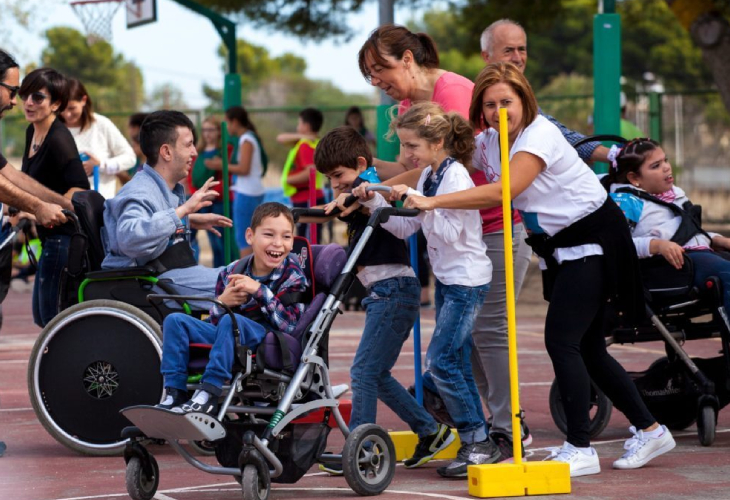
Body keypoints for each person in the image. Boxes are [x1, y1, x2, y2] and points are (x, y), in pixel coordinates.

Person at [404, 62, 676, 477]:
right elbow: (428, 163)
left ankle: (580, 446)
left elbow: (505, 191)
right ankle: (651, 429)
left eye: (507, 102)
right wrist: (375, 182)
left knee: (561, 342)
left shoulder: (539, 135)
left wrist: (431, 202)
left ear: (524, 101)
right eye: (490, 103)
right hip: (563, 249)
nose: (499, 110)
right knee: (587, 347)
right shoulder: (490, 141)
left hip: (596, 241)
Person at [353, 102, 501, 478]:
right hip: (449, 280)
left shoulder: (455, 179)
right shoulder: (429, 178)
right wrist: (375, 199)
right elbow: (406, 229)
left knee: (443, 359)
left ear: (437, 143)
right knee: (456, 358)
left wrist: (426, 204)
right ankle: (477, 436)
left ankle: (477, 440)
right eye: (403, 146)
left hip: (467, 280)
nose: (406, 156)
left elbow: (454, 232)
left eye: (412, 146)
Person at [314, 126, 454, 474]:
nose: (336, 184)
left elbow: (406, 228)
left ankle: (360, 448)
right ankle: (430, 431)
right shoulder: (354, 195)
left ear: (360, 164)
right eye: (330, 178)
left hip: (395, 290)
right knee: (374, 373)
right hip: (382, 293)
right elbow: (340, 206)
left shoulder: (379, 191)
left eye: (339, 176)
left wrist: (369, 198)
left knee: (363, 371)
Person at [157, 202, 307, 414]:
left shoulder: (292, 276)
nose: (278, 244)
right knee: (175, 320)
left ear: (292, 243)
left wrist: (260, 291)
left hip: (268, 338)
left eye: (286, 237)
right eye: (269, 235)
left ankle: (209, 391)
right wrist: (222, 303)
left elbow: (291, 326)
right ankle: (174, 391)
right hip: (231, 334)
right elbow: (215, 323)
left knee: (231, 321)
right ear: (250, 236)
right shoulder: (232, 271)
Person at [101, 110, 232, 303]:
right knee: (242, 284)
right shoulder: (139, 191)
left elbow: (151, 220)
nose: (194, 152)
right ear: (166, 152)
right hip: (153, 283)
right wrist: (184, 210)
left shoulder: (160, 188)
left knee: (248, 272)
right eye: (188, 145)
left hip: (173, 275)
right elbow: (129, 237)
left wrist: (189, 220)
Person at [606, 138, 730, 312]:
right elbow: (619, 245)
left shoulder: (674, 195)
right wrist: (657, 245)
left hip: (696, 258)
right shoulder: (627, 201)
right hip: (666, 268)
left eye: (665, 160)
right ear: (634, 178)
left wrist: (718, 239)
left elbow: (688, 233)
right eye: (655, 166)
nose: (666, 167)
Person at [20, 68, 90, 327]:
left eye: (38, 97)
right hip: (48, 237)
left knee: (53, 320)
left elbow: (78, 192)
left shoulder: (59, 139)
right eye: (25, 94)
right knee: (44, 317)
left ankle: (66, 366)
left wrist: (39, 208)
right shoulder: (32, 131)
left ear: (56, 104)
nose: (28, 102)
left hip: (64, 240)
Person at [0, 52, 70, 226]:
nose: (16, 101)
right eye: (13, 91)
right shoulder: (32, 133)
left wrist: (66, 205)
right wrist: (38, 207)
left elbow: (13, 176)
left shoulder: (58, 136)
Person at [60, 78, 136, 199]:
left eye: (72, 108)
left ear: (84, 100)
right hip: (64, 205)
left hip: (99, 207)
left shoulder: (101, 124)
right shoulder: (55, 129)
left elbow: (130, 158)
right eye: (62, 108)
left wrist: (101, 164)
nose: (66, 114)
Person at [217, 106, 267, 258]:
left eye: (227, 122)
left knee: (244, 237)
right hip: (251, 192)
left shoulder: (246, 139)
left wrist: (221, 165)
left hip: (247, 193)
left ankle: (245, 275)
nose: (226, 126)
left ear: (235, 122)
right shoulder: (249, 138)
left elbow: (244, 168)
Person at [191, 116, 234, 266]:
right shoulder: (198, 151)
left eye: (211, 130)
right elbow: (191, 175)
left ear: (218, 131)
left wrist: (213, 193)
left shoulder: (225, 149)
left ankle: (225, 269)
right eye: (204, 130)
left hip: (219, 200)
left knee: (221, 239)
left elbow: (227, 177)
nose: (207, 134)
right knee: (208, 239)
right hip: (201, 200)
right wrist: (198, 195)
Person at [278, 108, 326, 237]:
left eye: (299, 123)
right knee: (314, 236)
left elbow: (310, 172)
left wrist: (288, 180)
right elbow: (280, 138)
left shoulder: (305, 145)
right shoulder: (315, 142)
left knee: (306, 240)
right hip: (313, 195)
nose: (297, 127)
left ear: (306, 125)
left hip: (306, 198)